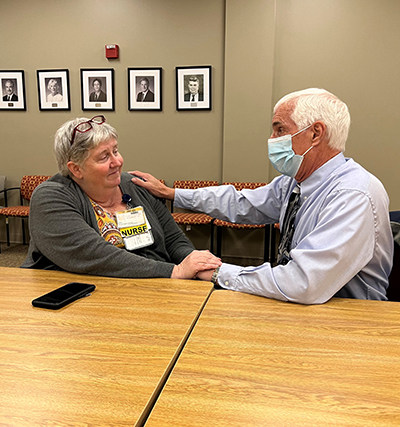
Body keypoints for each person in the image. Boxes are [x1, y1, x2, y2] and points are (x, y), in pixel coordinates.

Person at [131, 88, 393, 304]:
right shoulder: (295, 183)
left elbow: (304, 282)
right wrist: (173, 194)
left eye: (280, 130)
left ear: (315, 133)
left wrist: (219, 273)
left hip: (349, 323)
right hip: (303, 308)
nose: (272, 139)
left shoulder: (352, 195)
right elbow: (240, 203)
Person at [21, 115, 221, 280]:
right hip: (80, 297)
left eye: (115, 151)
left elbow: (172, 239)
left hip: (154, 288)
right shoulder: (51, 197)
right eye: (104, 156)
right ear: (76, 169)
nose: (117, 162)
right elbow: (94, 255)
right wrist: (174, 271)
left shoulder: (134, 185)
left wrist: (196, 264)